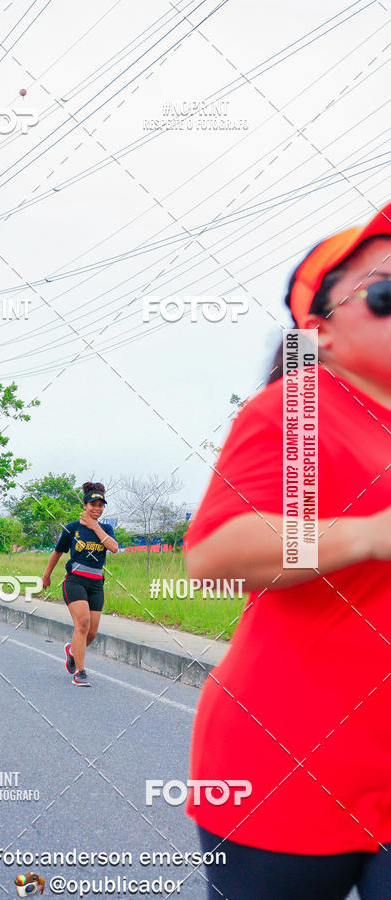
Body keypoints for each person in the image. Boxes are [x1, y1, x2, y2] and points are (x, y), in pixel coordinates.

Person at [183, 202, 391, 898]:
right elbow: (217, 551)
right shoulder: (301, 409)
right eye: (388, 291)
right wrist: (370, 534)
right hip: (288, 768)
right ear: (320, 331)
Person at [42, 482, 118, 686]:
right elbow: (57, 552)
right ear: (85, 505)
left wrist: (94, 526)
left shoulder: (106, 528)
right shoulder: (72, 528)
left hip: (96, 584)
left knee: (91, 633)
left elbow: (113, 548)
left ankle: (72, 651)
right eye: (93, 504)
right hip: (75, 581)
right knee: (82, 623)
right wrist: (46, 575)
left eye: (100, 505)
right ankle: (80, 672)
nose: (97, 508)